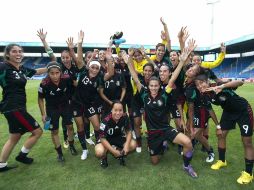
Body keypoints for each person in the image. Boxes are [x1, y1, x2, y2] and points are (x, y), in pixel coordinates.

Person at [123, 40, 199, 178]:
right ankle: (162, 146)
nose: (153, 88)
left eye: (155, 86)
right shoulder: (144, 94)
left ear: (159, 86)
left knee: (188, 142)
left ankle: (187, 165)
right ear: (149, 86)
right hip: (152, 133)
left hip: (165, 129)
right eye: (151, 85)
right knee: (155, 162)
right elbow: (135, 77)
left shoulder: (164, 94)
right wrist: (129, 63)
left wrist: (182, 62)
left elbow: (173, 77)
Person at [194, 75, 254, 184]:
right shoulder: (204, 95)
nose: (200, 86)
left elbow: (240, 82)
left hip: (243, 111)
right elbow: (210, 111)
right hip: (228, 112)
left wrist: (222, 86)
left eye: (201, 83)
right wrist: (218, 126)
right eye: (197, 85)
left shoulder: (218, 85)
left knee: (247, 142)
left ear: (207, 81)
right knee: (220, 135)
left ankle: (248, 174)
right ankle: (222, 160)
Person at [0, 43, 46, 172]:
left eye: (20, 51)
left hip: (18, 108)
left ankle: (1, 165)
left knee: (15, 137)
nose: (18, 53)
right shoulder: (3, 67)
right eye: (14, 51)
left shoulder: (20, 69)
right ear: (8, 54)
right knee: (37, 131)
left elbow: (36, 71)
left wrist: (50, 67)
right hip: (14, 108)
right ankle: (22, 156)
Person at [71, 30, 114, 160]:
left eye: (97, 68)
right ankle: (84, 149)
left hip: (89, 105)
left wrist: (109, 59)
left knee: (97, 126)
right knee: (80, 126)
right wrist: (80, 43)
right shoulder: (83, 72)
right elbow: (78, 60)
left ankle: (100, 143)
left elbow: (111, 73)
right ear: (89, 67)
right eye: (93, 67)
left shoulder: (100, 78)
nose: (94, 69)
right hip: (77, 103)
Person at [38, 62, 78, 162]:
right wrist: (43, 115)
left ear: (61, 72)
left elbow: (74, 85)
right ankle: (59, 153)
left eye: (57, 73)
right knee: (54, 131)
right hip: (52, 109)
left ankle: (71, 146)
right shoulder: (44, 84)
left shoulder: (66, 78)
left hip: (65, 106)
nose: (55, 76)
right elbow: (40, 99)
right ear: (48, 73)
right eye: (52, 73)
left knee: (70, 126)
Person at [95, 101, 137, 168]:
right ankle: (104, 158)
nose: (118, 113)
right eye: (115, 110)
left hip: (118, 137)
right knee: (99, 152)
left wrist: (126, 145)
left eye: (120, 110)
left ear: (123, 110)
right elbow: (102, 138)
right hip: (106, 139)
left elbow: (128, 131)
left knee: (133, 144)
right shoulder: (105, 120)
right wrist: (113, 151)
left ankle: (120, 153)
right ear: (111, 110)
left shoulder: (125, 117)